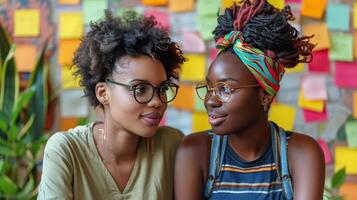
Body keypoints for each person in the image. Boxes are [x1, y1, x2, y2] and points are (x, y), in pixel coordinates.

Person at [175, 0, 325, 199]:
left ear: (265, 95)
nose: (211, 100)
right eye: (210, 88)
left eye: (225, 89)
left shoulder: (301, 154)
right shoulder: (195, 151)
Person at [38, 10, 185, 200]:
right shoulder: (67, 150)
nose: (157, 101)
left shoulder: (172, 145)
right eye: (140, 89)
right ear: (103, 93)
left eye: (162, 89)